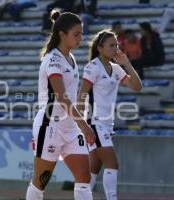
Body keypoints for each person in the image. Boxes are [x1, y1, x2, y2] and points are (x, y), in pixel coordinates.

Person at [26, 10, 96, 200]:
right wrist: (84, 124)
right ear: (62, 34)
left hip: (71, 127)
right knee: (40, 183)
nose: (81, 37)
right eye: (76, 34)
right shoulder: (53, 60)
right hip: (50, 126)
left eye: (81, 33)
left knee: (84, 179)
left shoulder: (70, 58)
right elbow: (62, 98)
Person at [77, 30, 142, 200]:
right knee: (112, 164)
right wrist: (83, 124)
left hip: (106, 124)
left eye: (117, 45)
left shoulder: (116, 69)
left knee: (94, 168)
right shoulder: (93, 67)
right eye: (111, 45)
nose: (115, 48)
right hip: (95, 122)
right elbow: (82, 96)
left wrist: (127, 63)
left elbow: (137, 86)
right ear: (100, 48)